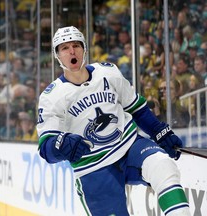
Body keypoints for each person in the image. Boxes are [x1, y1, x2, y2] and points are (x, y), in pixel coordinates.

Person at [36, 26, 191, 216]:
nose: (71, 51)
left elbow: (136, 108)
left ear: (84, 49)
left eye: (76, 45)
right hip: (93, 168)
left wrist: (158, 130)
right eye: (64, 48)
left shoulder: (108, 72)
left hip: (129, 147)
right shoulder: (51, 96)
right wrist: (61, 145)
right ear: (57, 55)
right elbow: (46, 148)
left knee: (163, 167)